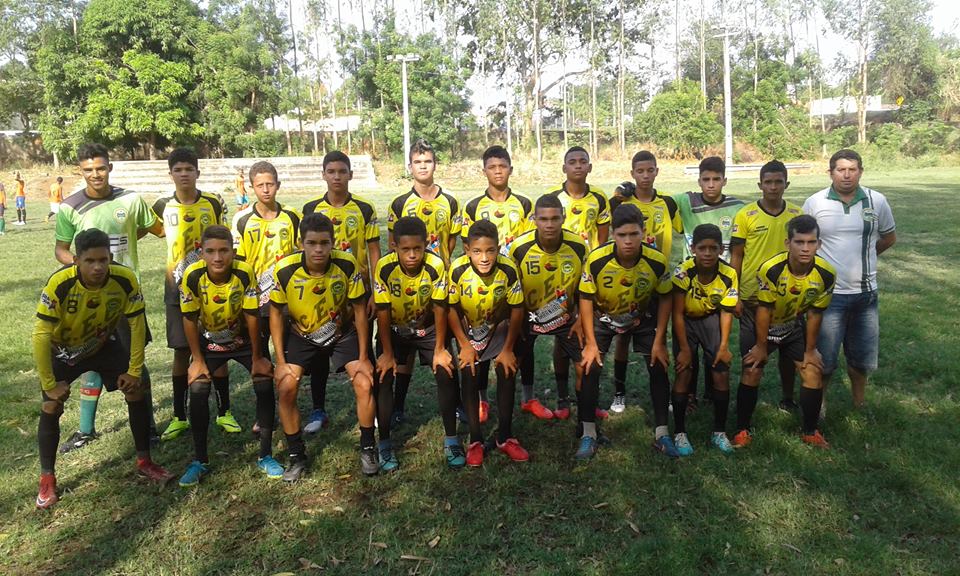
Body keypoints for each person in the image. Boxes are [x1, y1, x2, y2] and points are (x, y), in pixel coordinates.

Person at [34, 229, 173, 509]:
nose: (97, 267)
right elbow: (40, 335)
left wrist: (134, 370)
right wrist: (49, 384)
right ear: (76, 260)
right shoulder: (59, 283)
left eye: (103, 260)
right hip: (63, 350)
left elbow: (136, 325)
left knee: (136, 389)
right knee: (51, 405)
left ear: (110, 257)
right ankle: (47, 479)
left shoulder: (124, 279)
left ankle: (145, 462)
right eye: (90, 261)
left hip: (101, 344)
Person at [54, 143, 164, 453]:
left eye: (100, 168)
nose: (95, 174)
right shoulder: (70, 207)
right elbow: (61, 249)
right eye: (88, 170)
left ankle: (148, 428)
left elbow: (155, 228)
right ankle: (85, 430)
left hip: (126, 297)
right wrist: (81, 265)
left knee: (135, 362)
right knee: (89, 359)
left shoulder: (130, 200)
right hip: (88, 299)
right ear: (80, 171)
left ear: (110, 168)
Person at [270, 213, 375, 481]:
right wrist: (280, 362)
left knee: (364, 383)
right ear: (300, 243)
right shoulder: (284, 269)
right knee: (286, 387)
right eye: (312, 243)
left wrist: (364, 356)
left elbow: (360, 311)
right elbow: (276, 314)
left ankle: (368, 448)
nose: (318, 249)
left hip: (341, 333)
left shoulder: (347, 264)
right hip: (302, 335)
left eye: (324, 243)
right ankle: (296, 456)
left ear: (333, 242)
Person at [178, 225, 280, 486]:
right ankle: (200, 460)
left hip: (243, 341)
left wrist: (258, 356)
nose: (217, 257)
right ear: (201, 253)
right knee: (198, 389)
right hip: (209, 343)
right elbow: (189, 318)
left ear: (233, 252)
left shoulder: (244, 272)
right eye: (210, 251)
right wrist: (197, 360)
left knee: (264, 381)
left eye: (223, 250)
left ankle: (265, 455)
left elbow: (252, 314)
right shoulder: (192, 275)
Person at [579, 204, 676, 460]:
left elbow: (666, 297)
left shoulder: (657, 261)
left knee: (658, 365)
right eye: (622, 235)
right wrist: (590, 343)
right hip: (603, 317)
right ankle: (588, 434)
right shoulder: (597, 259)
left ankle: (662, 434)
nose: (629, 241)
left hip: (641, 318)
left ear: (643, 232)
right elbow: (586, 298)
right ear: (613, 234)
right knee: (590, 366)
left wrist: (660, 340)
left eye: (634, 234)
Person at [802, 149, 896, 409]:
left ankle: (859, 403)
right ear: (830, 172)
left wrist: (867, 256)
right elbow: (804, 242)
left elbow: (889, 237)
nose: (846, 175)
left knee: (861, 359)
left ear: (860, 172)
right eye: (841, 169)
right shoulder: (815, 202)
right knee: (825, 359)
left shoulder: (877, 201)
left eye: (852, 169)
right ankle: (820, 406)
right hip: (828, 296)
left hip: (866, 295)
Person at [735, 215, 836, 448]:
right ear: (788, 243)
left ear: (819, 244)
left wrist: (810, 350)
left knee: (812, 371)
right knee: (752, 370)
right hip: (759, 322)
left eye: (811, 242)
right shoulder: (771, 269)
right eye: (799, 242)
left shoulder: (827, 273)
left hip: (791, 324)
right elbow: (764, 310)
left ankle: (810, 431)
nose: (805, 248)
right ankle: (742, 429)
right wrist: (761, 347)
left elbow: (815, 314)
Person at [302, 151, 381, 432]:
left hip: (358, 292)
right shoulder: (311, 208)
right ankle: (318, 410)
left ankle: (372, 407)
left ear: (350, 174)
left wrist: (375, 291)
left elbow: (374, 250)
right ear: (323, 174)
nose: (336, 177)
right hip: (322, 293)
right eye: (331, 171)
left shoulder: (365, 208)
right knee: (319, 352)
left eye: (342, 171)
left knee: (363, 349)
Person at [153, 148, 228, 441]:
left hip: (212, 284)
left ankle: (224, 411)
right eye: (178, 169)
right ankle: (179, 416)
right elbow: (153, 231)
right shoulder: (162, 206)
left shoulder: (212, 202)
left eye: (189, 169)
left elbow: (222, 237)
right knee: (181, 350)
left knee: (219, 345)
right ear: (170, 173)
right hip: (176, 287)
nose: (184, 174)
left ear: (198, 172)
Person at [386, 139, 462, 425]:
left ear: (435, 164)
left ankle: (456, 405)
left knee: (443, 345)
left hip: (439, 283)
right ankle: (397, 406)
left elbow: (451, 242)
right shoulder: (399, 203)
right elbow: (393, 243)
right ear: (410, 166)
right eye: (417, 162)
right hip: (408, 284)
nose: (422, 166)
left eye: (427, 161)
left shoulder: (450, 202)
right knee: (404, 351)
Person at [460, 145, 535, 421]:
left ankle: (528, 397)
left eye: (502, 166)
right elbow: (467, 247)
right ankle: (483, 400)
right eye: (492, 167)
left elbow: (529, 246)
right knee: (480, 338)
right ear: (484, 171)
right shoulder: (473, 207)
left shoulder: (524, 204)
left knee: (523, 340)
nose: (498, 171)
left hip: (515, 283)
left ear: (510, 169)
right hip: (484, 284)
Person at [447, 220, 528, 467]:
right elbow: (451, 309)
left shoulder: (509, 269)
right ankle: (475, 439)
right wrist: (464, 345)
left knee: (507, 370)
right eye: (477, 251)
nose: (484, 258)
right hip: (468, 331)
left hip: (499, 328)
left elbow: (517, 309)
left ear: (498, 248)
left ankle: (505, 436)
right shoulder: (457, 270)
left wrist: (508, 349)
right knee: (469, 374)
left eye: (490, 250)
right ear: (466, 249)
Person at [605, 150, 679, 414]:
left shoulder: (668, 203)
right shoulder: (623, 202)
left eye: (650, 170)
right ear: (632, 173)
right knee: (622, 338)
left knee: (658, 337)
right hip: (627, 279)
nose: (645, 176)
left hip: (657, 280)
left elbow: (682, 229)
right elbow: (608, 216)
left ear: (657, 171)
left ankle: (663, 393)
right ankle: (619, 393)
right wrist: (617, 194)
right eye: (640, 171)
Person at [231, 161, 301, 436]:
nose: (266, 189)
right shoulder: (242, 219)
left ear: (278, 185)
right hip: (255, 302)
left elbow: (300, 256)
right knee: (259, 359)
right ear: (251, 187)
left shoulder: (292, 216)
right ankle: (264, 416)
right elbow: (238, 265)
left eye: (270, 184)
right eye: (260, 185)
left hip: (286, 302)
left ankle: (290, 408)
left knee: (288, 358)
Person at [730, 160, 803, 412]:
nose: (773, 187)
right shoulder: (746, 215)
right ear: (760, 185)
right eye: (768, 182)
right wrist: (734, 293)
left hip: (788, 297)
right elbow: (736, 255)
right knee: (751, 357)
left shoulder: (797, 214)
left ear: (786, 184)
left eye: (778, 182)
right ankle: (745, 410)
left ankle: (787, 398)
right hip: (752, 298)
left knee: (788, 354)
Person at [545, 146, 611, 422]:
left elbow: (603, 240)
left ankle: (587, 398)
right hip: (561, 278)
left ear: (590, 167)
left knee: (584, 336)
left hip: (588, 279)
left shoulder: (599, 198)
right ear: (564, 168)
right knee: (562, 338)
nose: (578, 166)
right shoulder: (554, 198)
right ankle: (563, 398)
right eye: (572, 162)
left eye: (583, 161)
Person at [673, 156, 744, 408]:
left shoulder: (738, 208)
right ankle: (689, 395)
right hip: (691, 284)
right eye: (706, 179)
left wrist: (736, 291)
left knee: (713, 344)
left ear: (725, 180)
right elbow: (658, 202)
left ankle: (712, 392)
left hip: (720, 284)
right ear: (699, 180)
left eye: (716, 179)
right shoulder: (685, 201)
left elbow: (738, 251)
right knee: (688, 349)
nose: (711, 184)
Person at [509, 194, 587, 423]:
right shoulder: (519, 248)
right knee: (510, 363)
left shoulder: (578, 246)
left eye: (554, 218)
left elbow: (586, 287)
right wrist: (514, 320)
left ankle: (581, 408)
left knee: (584, 365)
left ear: (563, 218)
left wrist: (581, 319)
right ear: (534, 219)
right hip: (528, 316)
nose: (549, 224)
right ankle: (517, 409)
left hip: (565, 316)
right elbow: (509, 287)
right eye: (543, 219)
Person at [671, 224, 739, 455]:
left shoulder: (729, 274)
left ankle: (719, 431)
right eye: (702, 248)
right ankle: (680, 433)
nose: (708, 253)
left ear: (721, 249)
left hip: (711, 319)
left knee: (721, 371)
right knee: (684, 371)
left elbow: (727, 312)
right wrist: (684, 349)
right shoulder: (683, 272)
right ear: (693, 249)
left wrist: (724, 346)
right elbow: (677, 313)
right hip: (686, 321)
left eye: (713, 248)